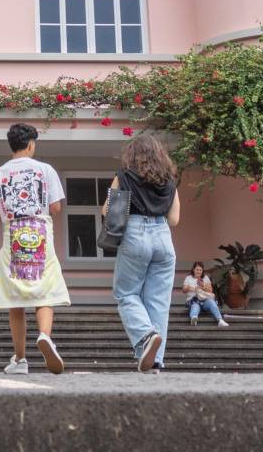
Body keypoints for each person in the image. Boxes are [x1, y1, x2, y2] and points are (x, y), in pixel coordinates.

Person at [0, 123, 70, 375]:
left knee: (15, 300)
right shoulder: (46, 170)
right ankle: (45, 336)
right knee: (45, 291)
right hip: (41, 236)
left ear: (11, 145)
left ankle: (20, 360)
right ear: (31, 144)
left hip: (13, 238)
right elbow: (55, 208)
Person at [102, 133, 180, 373]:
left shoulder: (124, 176)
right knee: (158, 302)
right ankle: (155, 361)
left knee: (126, 294)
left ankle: (146, 335)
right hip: (163, 237)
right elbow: (174, 219)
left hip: (135, 234)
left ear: (133, 155)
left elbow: (107, 211)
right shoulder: (169, 180)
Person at [182, 261, 228, 327]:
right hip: (193, 301)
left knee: (211, 302)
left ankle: (220, 320)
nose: (198, 271)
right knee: (195, 306)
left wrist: (203, 286)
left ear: (202, 271)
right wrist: (194, 289)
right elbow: (184, 290)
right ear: (193, 269)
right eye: (197, 269)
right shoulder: (188, 278)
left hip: (204, 300)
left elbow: (210, 290)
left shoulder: (205, 278)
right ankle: (194, 319)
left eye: (200, 270)